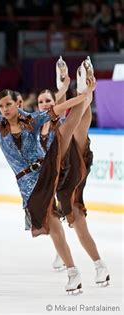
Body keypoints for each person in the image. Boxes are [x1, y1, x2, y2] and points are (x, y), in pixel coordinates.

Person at [0, 75, 95, 293]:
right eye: (1, 106)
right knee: (49, 225)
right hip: (25, 184)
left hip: (44, 172)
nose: (4, 109)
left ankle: (72, 271)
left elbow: (57, 109)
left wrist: (82, 97)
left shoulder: (32, 119)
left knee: (52, 222)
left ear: (18, 103)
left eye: (8, 104)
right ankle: (70, 267)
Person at [38, 58, 110, 286]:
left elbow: (77, 116)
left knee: (77, 220)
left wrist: (82, 92)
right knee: (55, 220)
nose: (44, 104)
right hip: (53, 179)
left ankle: (100, 266)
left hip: (71, 171)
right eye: (40, 101)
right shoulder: (36, 124)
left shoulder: (61, 123)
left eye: (47, 100)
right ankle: (63, 253)